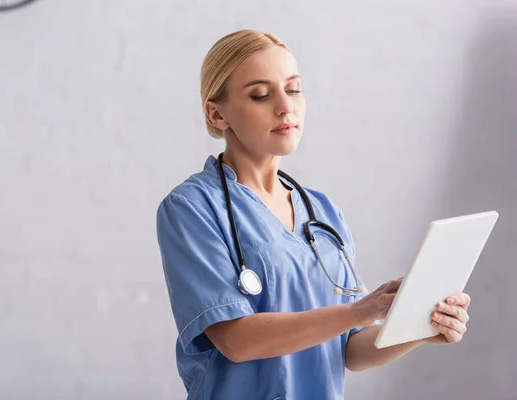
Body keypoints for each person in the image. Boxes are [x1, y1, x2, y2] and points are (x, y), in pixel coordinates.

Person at [155, 29, 471, 400]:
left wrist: (419, 326)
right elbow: (235, 340)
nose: (285, 106)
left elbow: (350, 348)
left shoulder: (321, 212)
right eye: (260, 94)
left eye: (293, 89)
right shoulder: (192, 208)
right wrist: (358, 311)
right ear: (216, 112)